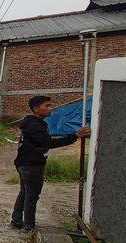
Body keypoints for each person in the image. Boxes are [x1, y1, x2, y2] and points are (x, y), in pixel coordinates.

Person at [12, 96, 90, 232]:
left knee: (25, 192)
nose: (50, 108)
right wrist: (75, 136)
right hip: (31, 165)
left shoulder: (32, 123)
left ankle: (17, 220)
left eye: (50, 105)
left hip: (24, 163)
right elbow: (49, 143)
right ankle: (28, 226)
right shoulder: (36, 126)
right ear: (36, 109)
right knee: (32, 195)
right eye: (46, 106)